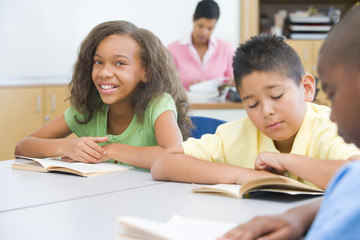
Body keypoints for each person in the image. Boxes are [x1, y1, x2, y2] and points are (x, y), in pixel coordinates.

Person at [219, 5, 360, 240]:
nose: (332, 115)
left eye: (332, 93)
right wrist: (298, 216)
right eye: (252, 104)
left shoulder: (323, 125)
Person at [151, 32, 360, 190]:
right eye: (252, 104)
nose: (266, 111)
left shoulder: (330, 127)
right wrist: (243, 175)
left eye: (277, 95)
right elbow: (163, 164)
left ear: (306, 88)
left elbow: (356, 177)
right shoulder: (236, 134)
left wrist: (286, 161)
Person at [15, 20, 192, 170]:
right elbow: (22, 147)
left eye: (120, 63)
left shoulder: (158, 104)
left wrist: (109, 150)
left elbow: (173, 154)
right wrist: (65, 146)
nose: (104, 72)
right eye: (98, 62)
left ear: (146, 72)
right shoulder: (89, 109)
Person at [167, 0, 234, 90]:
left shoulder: (226, 49)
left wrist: (226, 85)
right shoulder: (173, 49)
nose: (204, 32)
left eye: (210, 28)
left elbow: (233, 84)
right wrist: (188, 89)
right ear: (193, 19)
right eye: (200, 26)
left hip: (219, 104)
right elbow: (167, 86)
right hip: (186, 103)